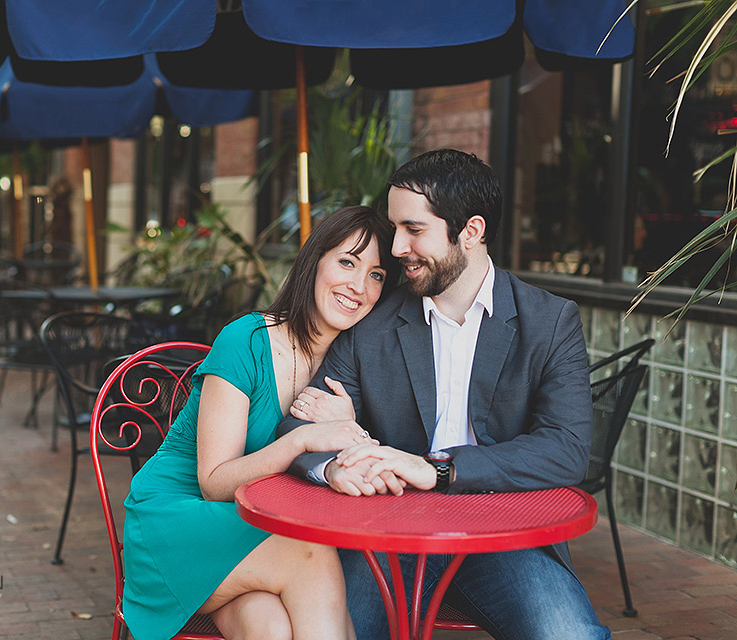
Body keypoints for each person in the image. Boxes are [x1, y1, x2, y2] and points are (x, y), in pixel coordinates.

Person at [279, 149, 610, 640]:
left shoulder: (549, 321)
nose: (394, 249)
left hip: (502, 530)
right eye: (395, 229)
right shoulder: (371, 318)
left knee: (571, 636)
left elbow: (566, 451)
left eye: (413, 230)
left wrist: (437, 468)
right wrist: (334, 460)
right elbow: (300, 425)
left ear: (470, 232)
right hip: (383, 532)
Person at [122, 205, 400, 640]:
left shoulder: (352, 365)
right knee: (312, 555)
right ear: (314, 261)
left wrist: (354, 431)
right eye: (347, 261)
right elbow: (213, 482)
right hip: (182, 518)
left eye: (377, 274)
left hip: (256, 530)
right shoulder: (245, 340)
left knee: (268, 628)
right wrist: (302, 440)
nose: (359, 286)